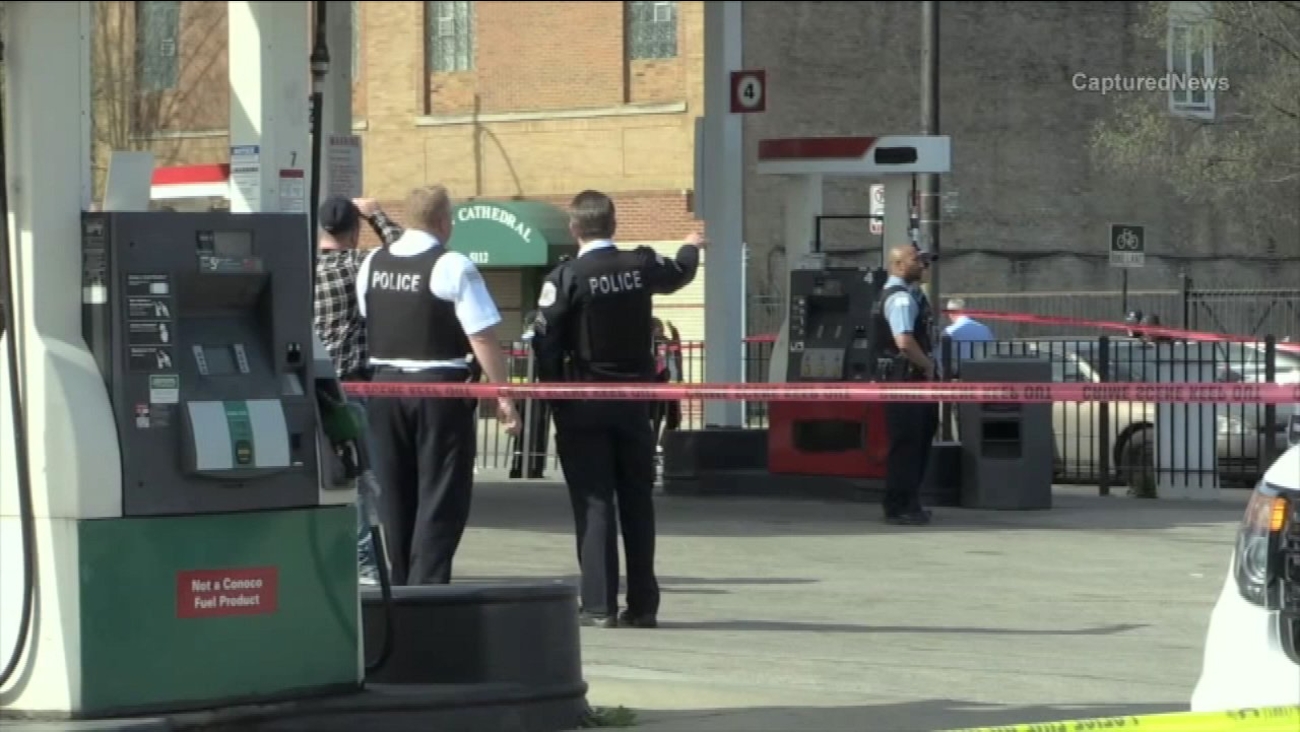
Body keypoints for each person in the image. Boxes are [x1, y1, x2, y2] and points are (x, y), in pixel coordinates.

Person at [531, 190, 705, 628]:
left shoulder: (567, 276)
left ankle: (598, 605)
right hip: (635, 403)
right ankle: (643, 605)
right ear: (614, 225)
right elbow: (680, 271)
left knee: (594, 503)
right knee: (637, 500)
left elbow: (545, 340)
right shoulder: (640, 265)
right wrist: (690, 244)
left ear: (574, 229)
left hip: (584, 402)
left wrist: (554, 395)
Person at [355, 185, 521, 586]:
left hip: (384, 389)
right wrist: (504, 395)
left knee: (394, 492)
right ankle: (428, 588)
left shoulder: (373, 262)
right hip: (438, 389)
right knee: (440, 493)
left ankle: (401, 582)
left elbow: (367, 316)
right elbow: (481, 336)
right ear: (444, 222)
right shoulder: (452, 265)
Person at [311, 195, 380, 584]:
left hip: (309, 384)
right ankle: (365, 563)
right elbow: (410, 255)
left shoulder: (303, 266)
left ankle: (328, 557)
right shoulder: (359, 264)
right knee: (356, 475)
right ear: (353, 231)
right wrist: (378, 216)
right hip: (350, 388)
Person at [872, 245, 938, 526]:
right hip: (906, 381)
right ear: (898, 265)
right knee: (908, 443)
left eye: (924, 261)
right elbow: (904, 342)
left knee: (918, 440)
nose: (923, 265)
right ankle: (900, 505)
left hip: (910, 381)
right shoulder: (900, 300)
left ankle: (910, 501)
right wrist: (928, 365)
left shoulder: (912, 296)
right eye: (917, 261)